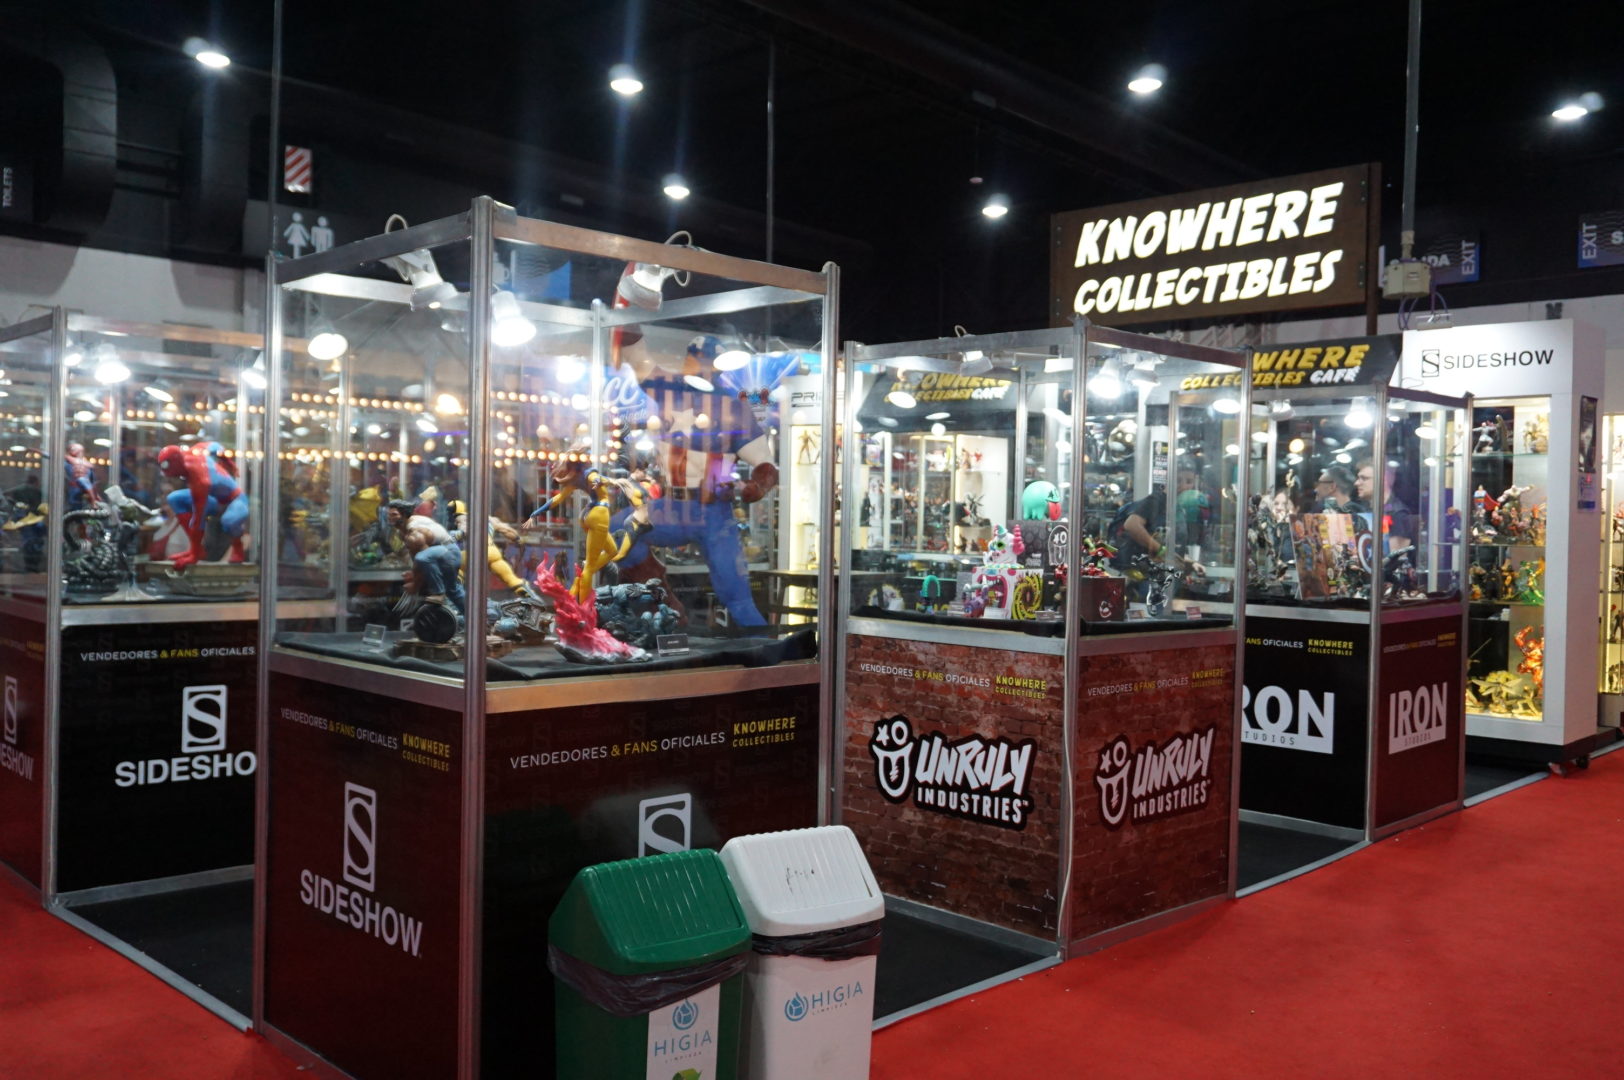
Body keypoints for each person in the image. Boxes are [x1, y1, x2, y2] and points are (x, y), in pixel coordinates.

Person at [1355, 459, 1413, 550]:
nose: (1356, 483)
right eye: (1358, 478)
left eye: (1364, 478)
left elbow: (1397, 555)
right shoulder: (1367, 509)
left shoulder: (1397, 513)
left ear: (1383, 479)